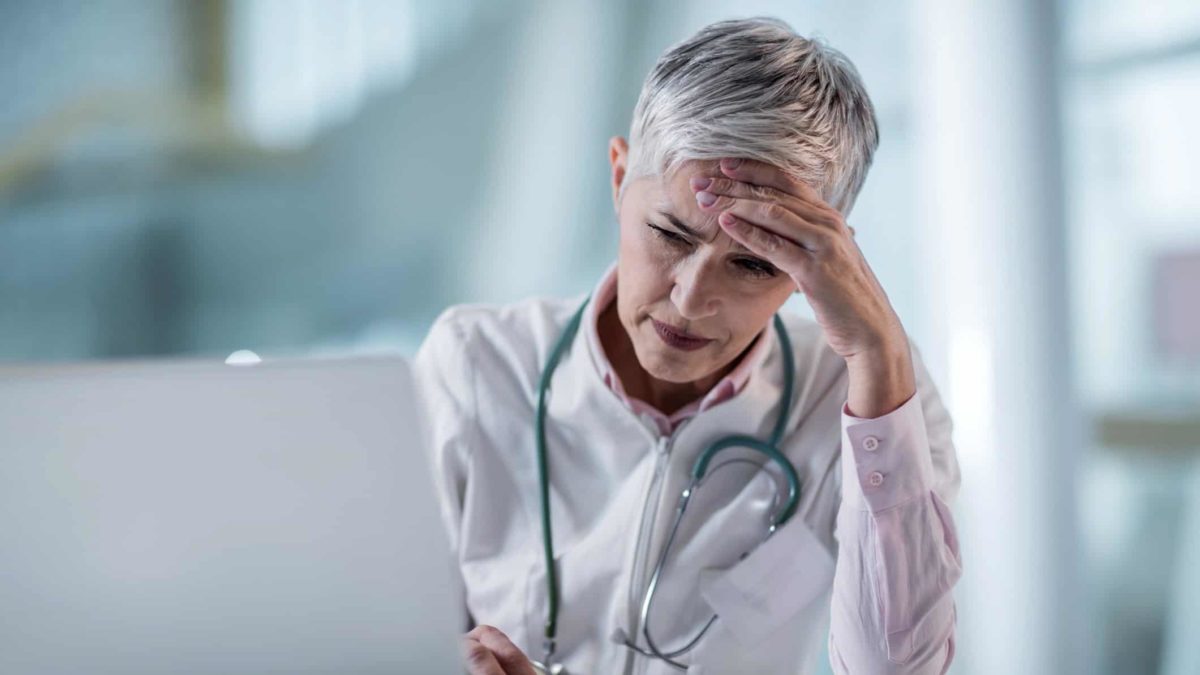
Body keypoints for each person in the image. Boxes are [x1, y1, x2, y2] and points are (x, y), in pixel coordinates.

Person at [413, 16, 961, 675]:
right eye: (671, 234)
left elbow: (897, 669)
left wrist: (877, 358)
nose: (692, 297)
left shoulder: (866, 399)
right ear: (619, 178)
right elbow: (374, 636)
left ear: (823, 262)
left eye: (756, 263)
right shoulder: (475, 363)